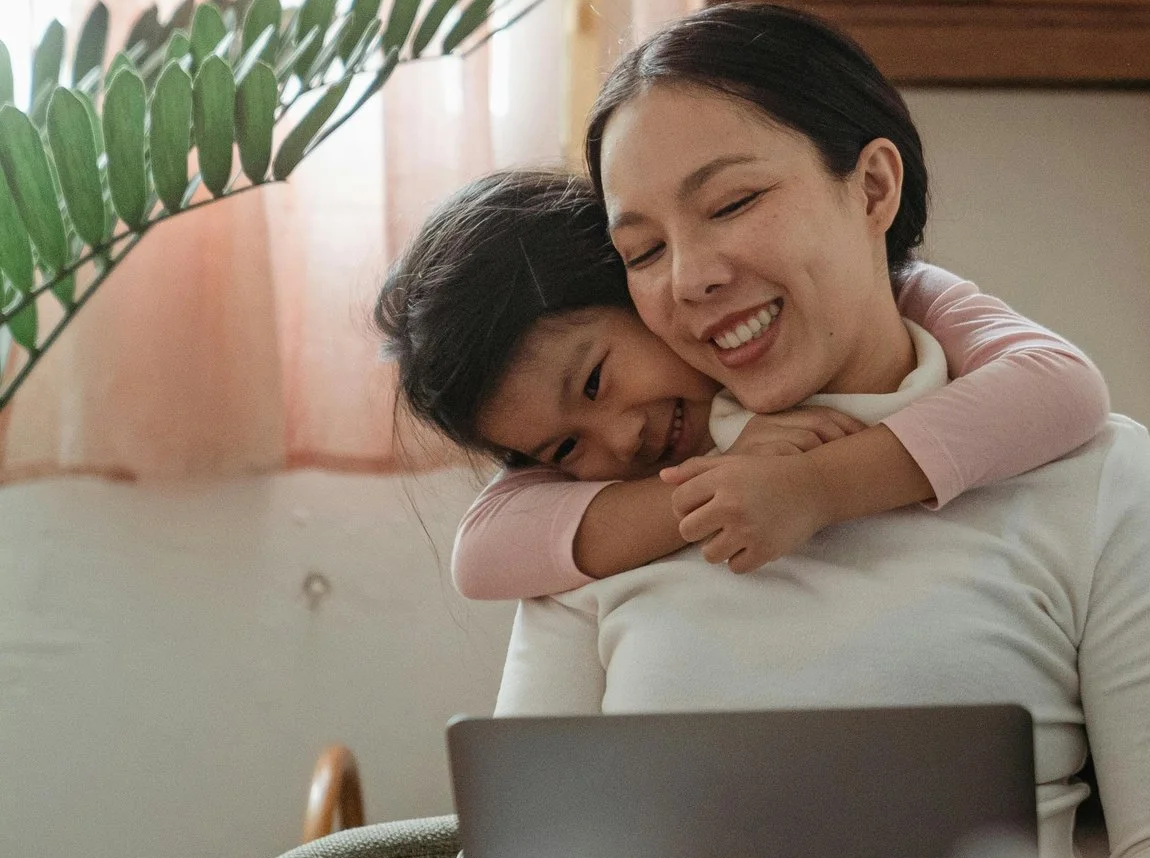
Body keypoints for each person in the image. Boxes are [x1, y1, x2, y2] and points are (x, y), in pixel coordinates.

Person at [379, 4, 1150, 858]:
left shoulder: (1083, 475)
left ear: (872, 182)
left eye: (730, 204)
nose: (690, 275)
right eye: (642, 247)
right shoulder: (593, 534)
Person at [377, 170, 1112, 591]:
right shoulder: (626, 473)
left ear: (637, 275)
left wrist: (814, 486)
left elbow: (1060, 385)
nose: (621, 437)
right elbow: (482, 551)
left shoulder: (890, 293)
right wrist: (726, 478)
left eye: (597, 382)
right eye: (565, 449)